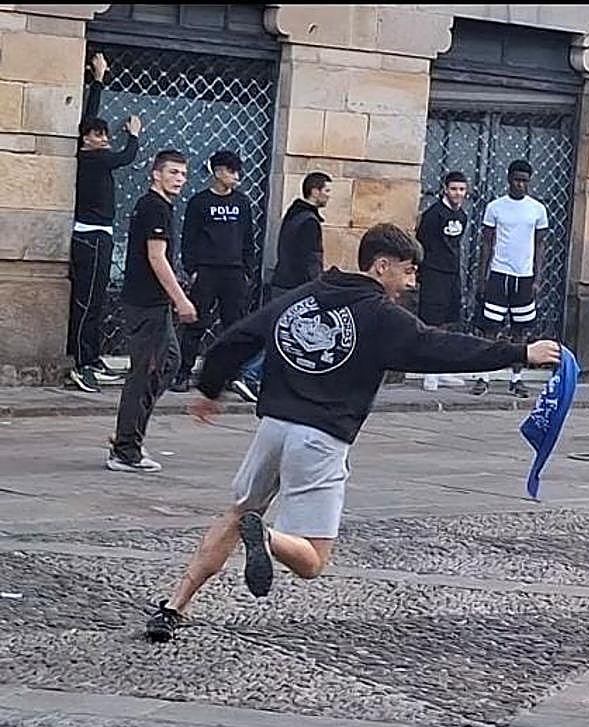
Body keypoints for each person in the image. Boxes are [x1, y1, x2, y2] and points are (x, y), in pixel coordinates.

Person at [143, 223, 562, 641]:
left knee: (235, 513)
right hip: (320, 439)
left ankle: (174, 606)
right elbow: (443, 348)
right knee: (311, 561)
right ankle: (267, 536)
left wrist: (211, 387)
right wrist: (520, 352)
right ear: (381, 266)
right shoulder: (382, 317)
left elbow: (241, 336)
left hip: (272, 429)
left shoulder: (303, 296)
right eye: (407, 270)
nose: (411, 282)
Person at [107, 150, 197, 473]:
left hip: (153, 302)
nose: (179, 179)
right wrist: (181, 300)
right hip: (146, 302)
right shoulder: (154, 208)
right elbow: (156, 258)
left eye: (183, 174)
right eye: (173, 173)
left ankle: (129, 433)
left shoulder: (161, 207)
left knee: (167, 363)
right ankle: (125, 448)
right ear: (156, 174)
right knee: (145, 372)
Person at [68, 52, 142, 393]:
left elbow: (89, 117)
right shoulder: (94, 159)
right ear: (87, 140)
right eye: (99, 135)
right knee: (88, 302)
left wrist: (98, 80)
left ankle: (91, 357)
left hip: (97, 237)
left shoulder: (90, 154)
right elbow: (127, 156)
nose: (104, 138)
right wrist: (134, 134)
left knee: (94, 301)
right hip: (92, 238)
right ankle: (82, 364)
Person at [237, 172, 332, 397]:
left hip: (283, 281)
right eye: (327, 190)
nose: (329, 196)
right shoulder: (309, 222)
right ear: (315, 191)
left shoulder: (294, 214)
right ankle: (250, 374)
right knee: (287, 335)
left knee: (283, 332)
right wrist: (317, 286)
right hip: (296, 286)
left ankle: (270, 378)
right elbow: (310, 259)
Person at [173, 151, 258, 399]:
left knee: (235, 326)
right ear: (218, 172)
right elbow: (189, 238)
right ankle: (184, 372)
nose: (236, 177)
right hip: (207, 270)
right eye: (231, 171)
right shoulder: (200, 202)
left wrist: (247, 270)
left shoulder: (241, 203)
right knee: (195, 323)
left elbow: (247, 238)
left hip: (234, 271)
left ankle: (232, 375)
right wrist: (193, 270)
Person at [473, 159, 549, 399]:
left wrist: (538, 277)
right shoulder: (495, 207)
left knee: (520, 330)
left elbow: (540, 245)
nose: (520, 185)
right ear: (508, 179)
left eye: (525, 181)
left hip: (524, 276)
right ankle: (483, 376)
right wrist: (482, 276)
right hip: (499, 273)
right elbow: (486, 242)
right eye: (516, 180)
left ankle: (516, 379)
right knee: (490, 328)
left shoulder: (537, 209)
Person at [415, 171, 469, 391]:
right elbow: (422, 243)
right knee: (431, 321)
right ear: (445, 189)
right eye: (454, 189)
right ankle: (428, 371)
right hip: (433, 272)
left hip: (452, 272)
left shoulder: (462, 216)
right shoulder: (433, 215)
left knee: (448, 320)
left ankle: (442, 368)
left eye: (462, 189)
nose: (458, 193)